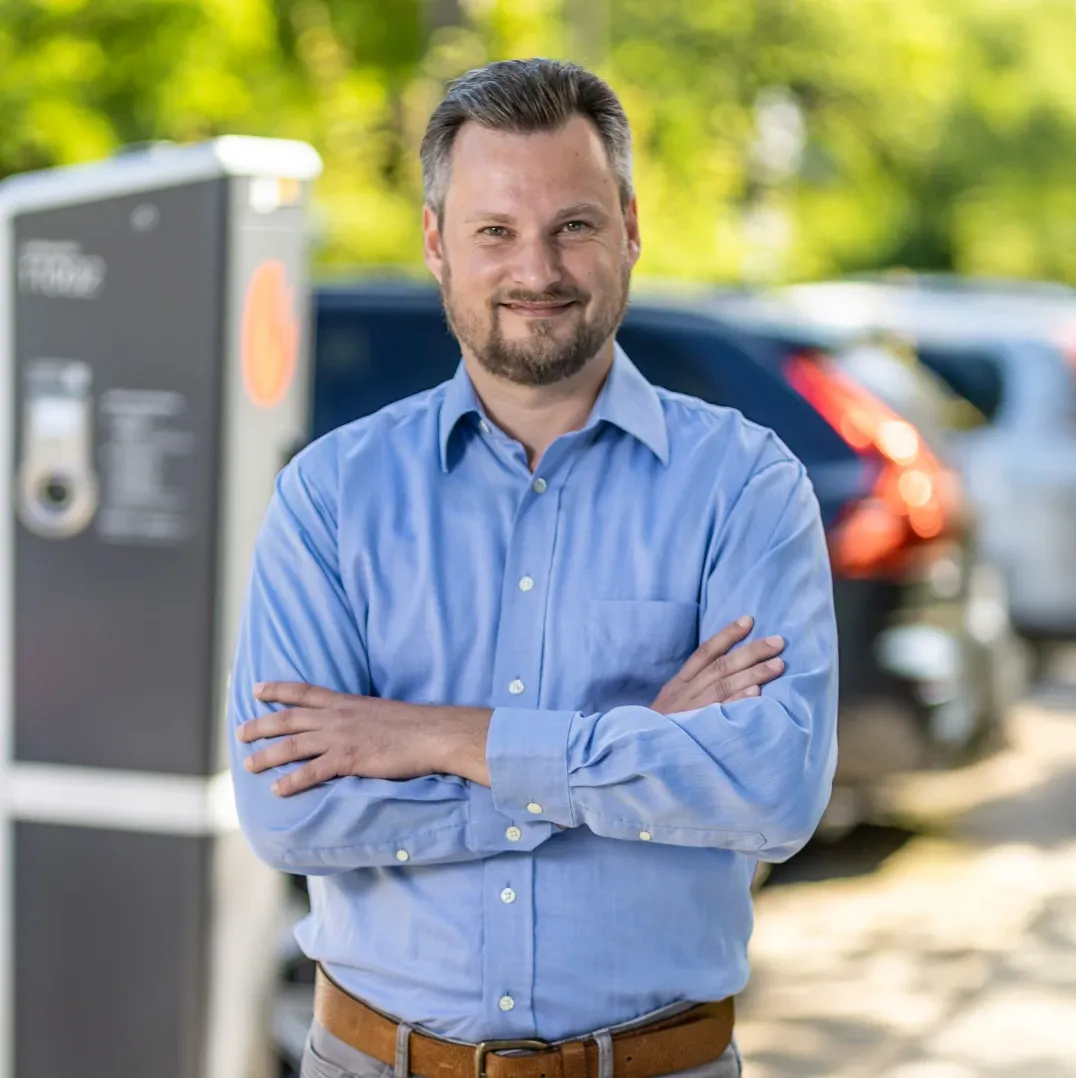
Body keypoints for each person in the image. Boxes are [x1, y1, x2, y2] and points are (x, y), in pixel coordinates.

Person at [230, 58, 838, 1078]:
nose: (537, 269)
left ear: (630, 227)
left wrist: (431, 736)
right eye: (494, 231)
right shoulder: (330, 498)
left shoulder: (743, 486)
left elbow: (771, 789)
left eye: (574, 225)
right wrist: (636, 752)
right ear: (436, 242)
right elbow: (291, 811)